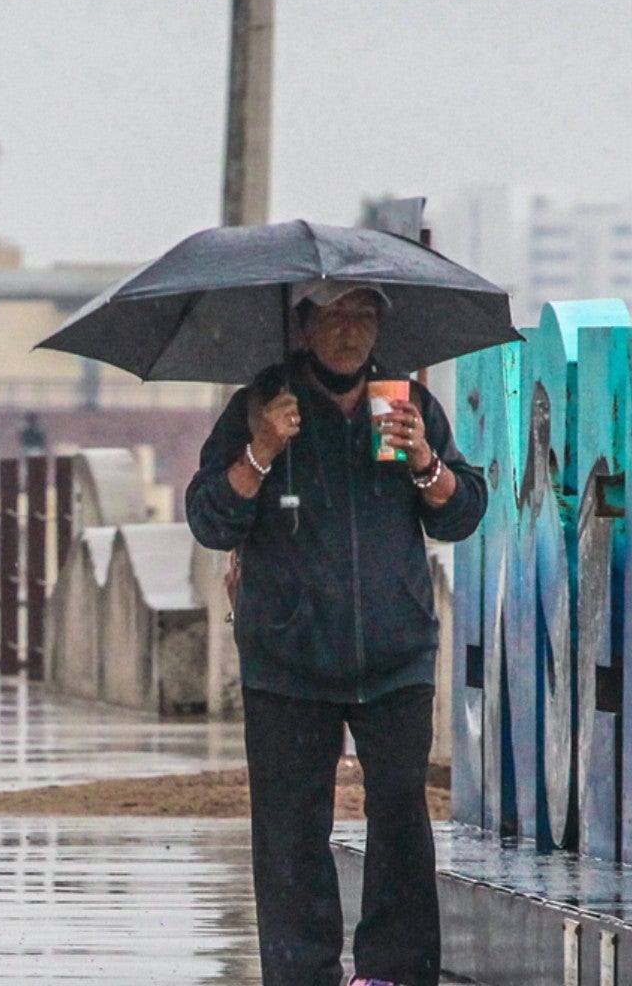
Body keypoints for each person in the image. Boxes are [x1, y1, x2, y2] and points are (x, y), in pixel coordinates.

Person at [185, 281, 487, 986]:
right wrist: (261, 450)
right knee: (290, 834)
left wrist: (425, 462)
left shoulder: (408, 406)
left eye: (363, 316)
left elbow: (462, 513)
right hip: (287, 662)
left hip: (395, 655)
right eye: (333, 316)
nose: (349, 331)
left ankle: (392, 973)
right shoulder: (259, 407)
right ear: (303, 326)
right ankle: (301, 973)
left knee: (401, 824)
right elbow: (210, 519)